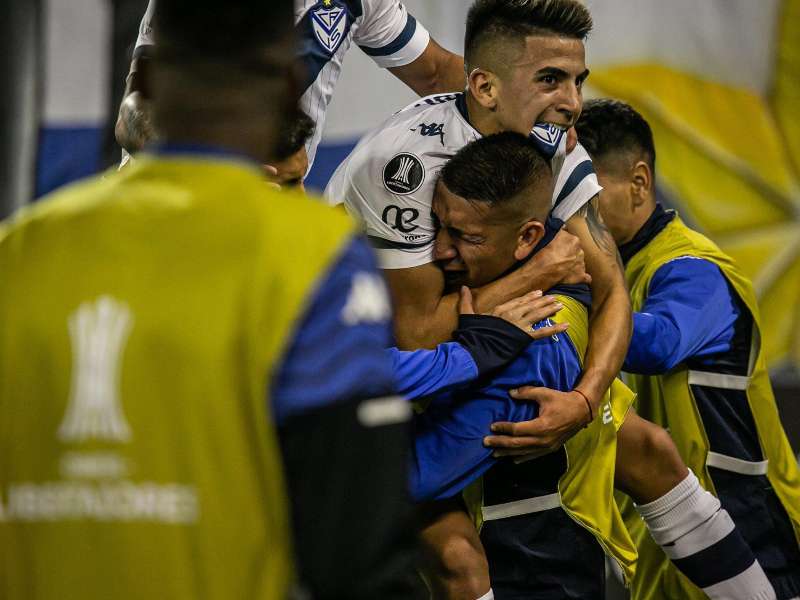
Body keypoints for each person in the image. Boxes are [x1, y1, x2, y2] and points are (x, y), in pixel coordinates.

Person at [0, 1, 420, 598]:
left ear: (141, 83)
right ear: (286, 88)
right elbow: (357, 544)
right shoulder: (314, 255)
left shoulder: (21, 250)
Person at [408, 132, 776, 600]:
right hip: (622, 533)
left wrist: (571, 379)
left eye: (466, 236)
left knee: (455, 556)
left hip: (752, 512)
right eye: (435, 226)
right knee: (650, 449)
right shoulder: (588, 273)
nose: (438, 249)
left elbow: (411, 474)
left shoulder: (675, 270)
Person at [575, 98, 800, 600]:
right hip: (666, 547)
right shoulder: (616, 274)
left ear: (639, 182)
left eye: (585, 190)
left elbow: (660, 342)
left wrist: (563, 309)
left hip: (754, 539)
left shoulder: (693, 266)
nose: (572, 210)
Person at [117, 0, 466, 169]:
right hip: (162, 207)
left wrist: (510, 75)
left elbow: (436, 72)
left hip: (269, 218)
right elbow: (134, 115)